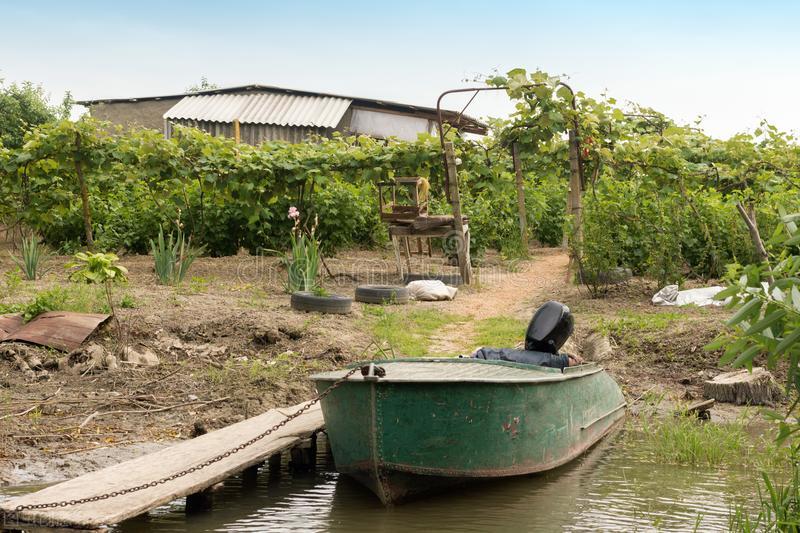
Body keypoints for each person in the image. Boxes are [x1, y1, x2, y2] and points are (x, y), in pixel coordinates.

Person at [470, 301, 585, 370]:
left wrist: (561, 358)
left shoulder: (536, 358)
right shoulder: (484, 355)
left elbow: (535, 358)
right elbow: (537, 360)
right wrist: (563, 361)